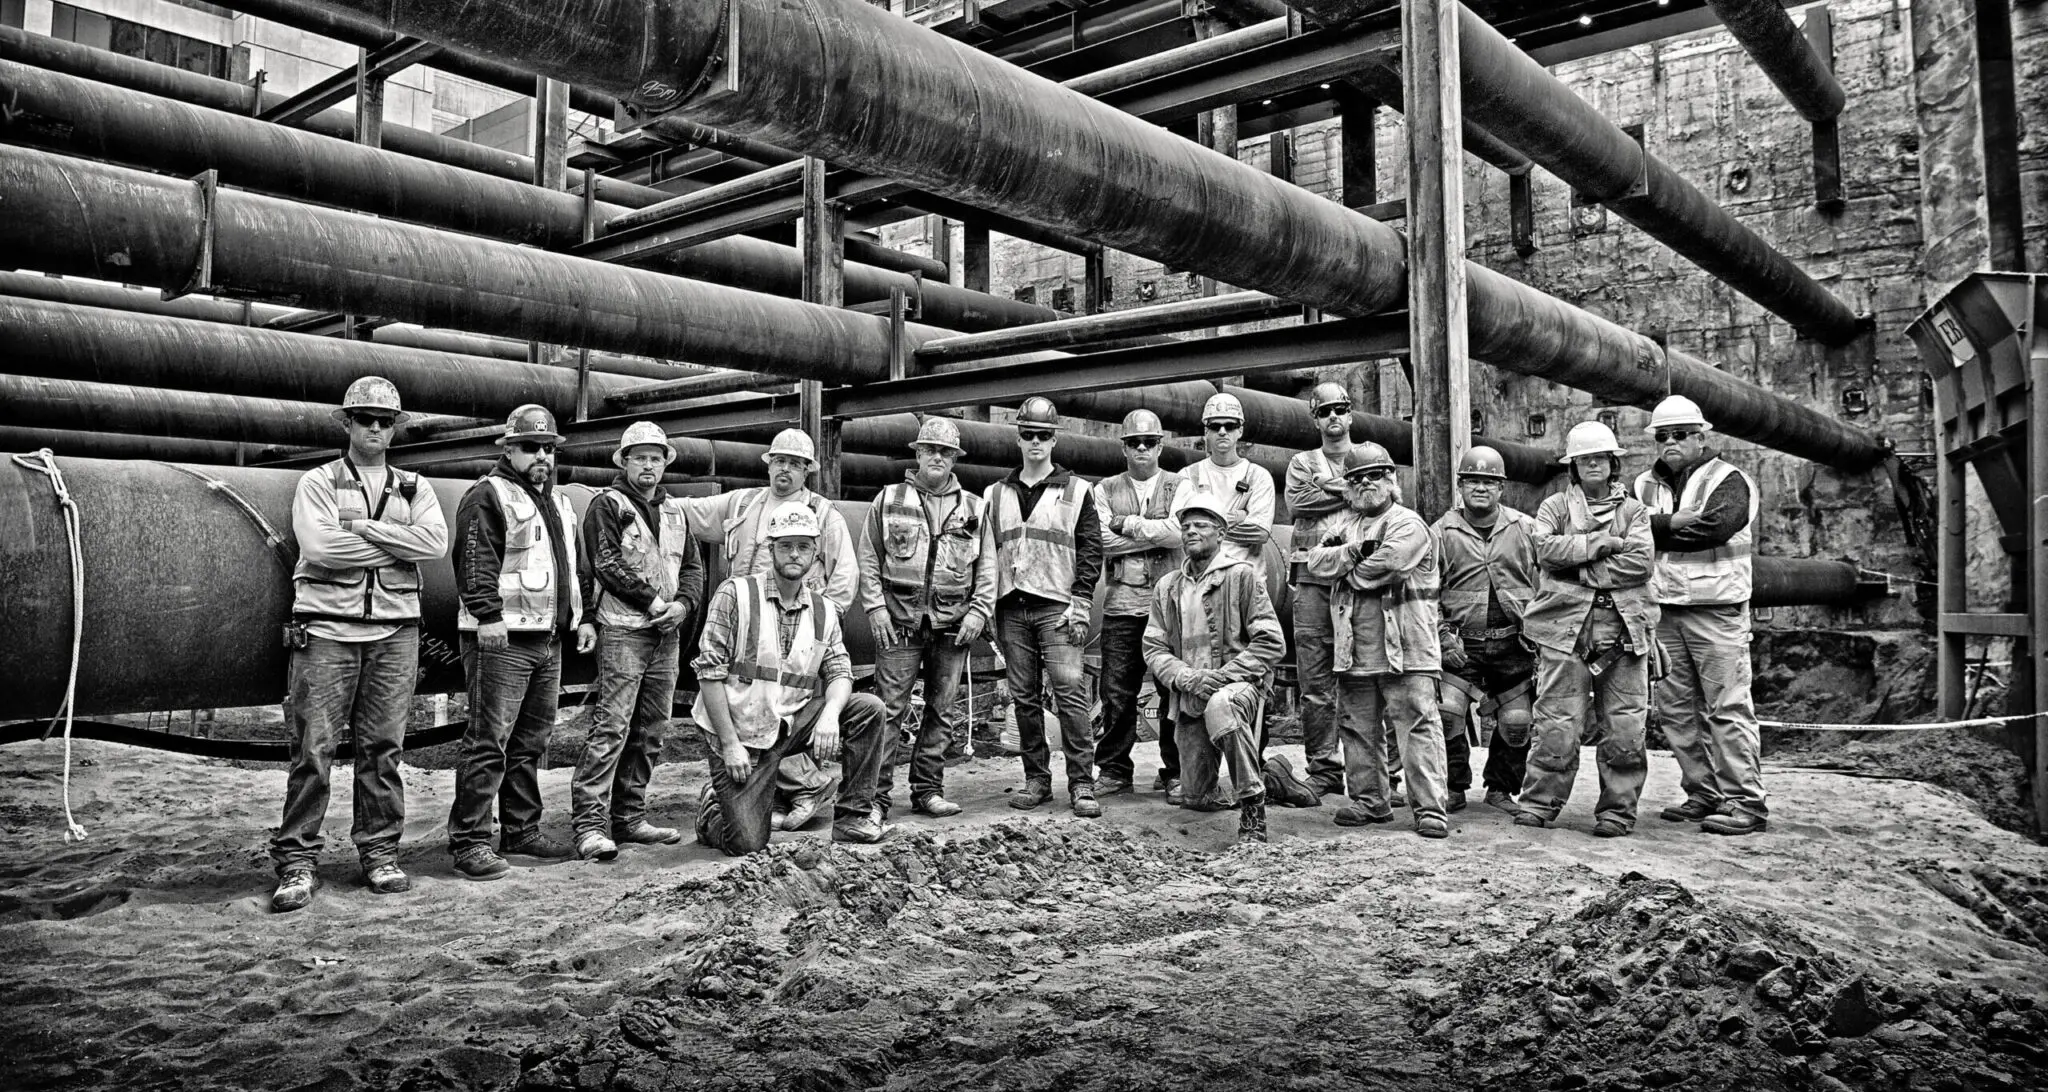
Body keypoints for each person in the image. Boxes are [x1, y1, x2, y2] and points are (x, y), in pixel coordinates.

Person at [270, 377, 449, 913]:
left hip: (396, 634)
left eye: (385, 421)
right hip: (326, 632)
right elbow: (321, 547)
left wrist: (363, 530)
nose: (375, 428)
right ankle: (297, 863)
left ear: (395, 429)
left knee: (384, 750)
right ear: (346, 423)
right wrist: (396, 543)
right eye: (365, 419)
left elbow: (435, 543)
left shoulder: (417, 486)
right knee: (313, 751)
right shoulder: (319, 481)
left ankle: (379, 854)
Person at [672, 428, 859, 831]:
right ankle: (766, 793)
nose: (785, 470)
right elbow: (687, 513)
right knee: (753, 716)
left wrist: (819, 627)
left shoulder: (822, 515)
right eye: (779, 461)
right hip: (742, 632)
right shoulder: (744, 503)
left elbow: (844, 576)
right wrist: (649, 497)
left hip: (798, 634)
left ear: (808, 470)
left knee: (790, 712)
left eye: (794, 464)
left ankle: (806, 788)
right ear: (768, 463)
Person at [448, 404, 597, 881]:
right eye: (531, 448)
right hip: (502, 640)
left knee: (531, 741)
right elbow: (474, 561)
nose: (542, 457)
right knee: (489, 740)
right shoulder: (487, 495)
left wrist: (584, 618)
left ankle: (520, 830)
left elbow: (574, 569)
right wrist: (488, 617)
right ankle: (470, 841)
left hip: (547, 640)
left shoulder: (557, 503)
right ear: (508, 449)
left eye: (548, 449)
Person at [692, 503, 888, 853]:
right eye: (785, 546)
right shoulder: (735, 594)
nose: (794, 554)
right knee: (747, 844)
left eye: (803, 546)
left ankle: (853, 819)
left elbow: (840, 671)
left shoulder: (823, 608)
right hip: (742, 731)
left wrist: (829, 714)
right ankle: (713, 812)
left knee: (868, 708)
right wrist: (729, 744)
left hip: (791, 721)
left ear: (815, 553)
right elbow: (709, 673)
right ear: (771, 550)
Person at [570, 422, 707, 862]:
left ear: (665, 462)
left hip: (666, 633)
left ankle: (629, 818)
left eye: (656, 457)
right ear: (624, 461)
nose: (648, 465)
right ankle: (590, 826)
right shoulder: (606, 505)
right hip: (624, 631)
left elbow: (692, 568)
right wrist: (654, 603)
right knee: (611, 726)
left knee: (651, 730)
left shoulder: (674, 512)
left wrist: (683, 607)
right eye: (639, 457)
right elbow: (605, 563)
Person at [1634, 395, 1768, 835]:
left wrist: (1656, 531)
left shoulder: (1730, 480)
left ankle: (1745, 803)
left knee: (1727, 709)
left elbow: (1715, 528)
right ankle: (1703, 793)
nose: (1670, 442)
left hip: (1717, 612)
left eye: (1680, 435)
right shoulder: (1642, 486)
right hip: (1664, 611)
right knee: (1676, 712)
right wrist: (1667, 526)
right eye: (1663, 436)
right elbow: (1627, 532)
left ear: (1700, 436)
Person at [1516, 421, 1657, 837]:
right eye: (1583, 459)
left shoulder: (1634, 512)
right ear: (1573, 467)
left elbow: (1640, 564)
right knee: (1556, 723)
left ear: (1613, 463)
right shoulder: (1555, 508)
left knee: (1626, 726)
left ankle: (1617, 811)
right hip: (1564, 629)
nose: (1592, 464)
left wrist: (1575, 564)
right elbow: (1544, 550)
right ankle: (1540, 802)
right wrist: (1600, 545)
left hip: (1624, 631)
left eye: (1599, 458)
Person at [1305, 443, 1451, 839]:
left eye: (1374, 475)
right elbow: (1314, 561)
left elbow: (1386, 566)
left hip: (1408, 648)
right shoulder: (1346, 528)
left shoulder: (1408, 524)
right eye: (1356, 478)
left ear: (1391, 481)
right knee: (1356, 727)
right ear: (1347, 488)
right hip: (1354, 651)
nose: (1366, 483)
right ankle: (1371, 801)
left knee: (1417, 724)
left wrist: (1346, 567)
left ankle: (1430, 809)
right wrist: (1354, 552)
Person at [858, 416, 995, 820]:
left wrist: (979, 611)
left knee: (942, 710)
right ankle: (875, 799)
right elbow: (869, 557)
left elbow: (988, 566)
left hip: (953, 625)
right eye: (930, 450)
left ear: (955, 458)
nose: (937, 457)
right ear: (917, 453)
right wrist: (875, 607)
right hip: (899, 622)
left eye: (945, 452)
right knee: (889, 710)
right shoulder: (889, 499)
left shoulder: (973, 507)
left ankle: (928, 790)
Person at [985, 396, 1105, 818]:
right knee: (1024, 697)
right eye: (1028, 434)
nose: (1035, 442)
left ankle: (1081, 783)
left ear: (1054, 440)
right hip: (1011, 608)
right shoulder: (995, 493)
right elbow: (986, 554)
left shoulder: (1078, 491)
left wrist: (1082, 601)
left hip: (1058, 606)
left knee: (1070, 693)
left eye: (1043, 435)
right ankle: (1036, 778)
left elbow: (1091, 550)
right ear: (1018, 439)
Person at [1143, 490, 1286, 843]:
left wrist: (1222, 678)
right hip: (1192, 692)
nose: (1191, 531)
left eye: (1202, 525)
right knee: (1195, 798)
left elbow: (1271, 641)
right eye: (1186, 525)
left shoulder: (1242, 576)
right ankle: (1277, 777)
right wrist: (1186, 677)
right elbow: (1154, 646)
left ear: (1221, 533)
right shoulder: (1167, 587)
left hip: (1236, 688)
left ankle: (1253, 804)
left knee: (1223, 707)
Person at [1431, 446, 1539, 814]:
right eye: (1473, 481)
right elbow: (1426, 592)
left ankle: (1501, 790)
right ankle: (1454, 786)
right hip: (1461, 645)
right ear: (1460, 486)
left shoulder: (1525, 529)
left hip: (1514, 643)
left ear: (1501, 488)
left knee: (1517, 722)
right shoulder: (1441, 532)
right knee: (1447, 713)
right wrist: (1443, 638)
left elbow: (1546, 583)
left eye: (1489, 482)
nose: (1481, 488)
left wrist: (1539, 632)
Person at [1093, 408, 1184, 799]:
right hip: (1121, 606)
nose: (1142, 449)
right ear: (1124, 448)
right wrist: (1157, 534)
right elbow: (1101, 541)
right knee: (1116, 692)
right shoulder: (1105, 489)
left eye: (1149, 442)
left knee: (1172, 692)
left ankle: (1176, 770)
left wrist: (1127, 524)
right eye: (1134, 443)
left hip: (1170, 607)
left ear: (1160, 445)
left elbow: (1181, 534)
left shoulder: (1181, 485)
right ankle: (1114, 770)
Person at [1282, 381, 1357, 798]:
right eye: (1324, 410)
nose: (1333, 417)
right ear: (1315, 418)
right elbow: (1297, 504)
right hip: (1310, 580)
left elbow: (1374, 501)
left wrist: (1328, 487)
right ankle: (1325, 768)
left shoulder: (1368, 455)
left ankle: (1375, 771)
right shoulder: (1301, 461)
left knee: (1367, 676)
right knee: (1315, 682)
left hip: (1360, 579)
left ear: (1349, 414)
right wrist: (1348, 490)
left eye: (1339, 409)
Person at [1179, 391, 1276, 573]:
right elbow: (1177, 530)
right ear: (1206, 431)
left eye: (1230, 426)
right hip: (1200, 579)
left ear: (1240, 430)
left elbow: (1260, 532)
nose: (1222, 432)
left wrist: (1204, 528)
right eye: (1215, 426)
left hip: (1246, 578)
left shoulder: (1257, 476)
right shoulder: (1189, 476)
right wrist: (1242, 517)